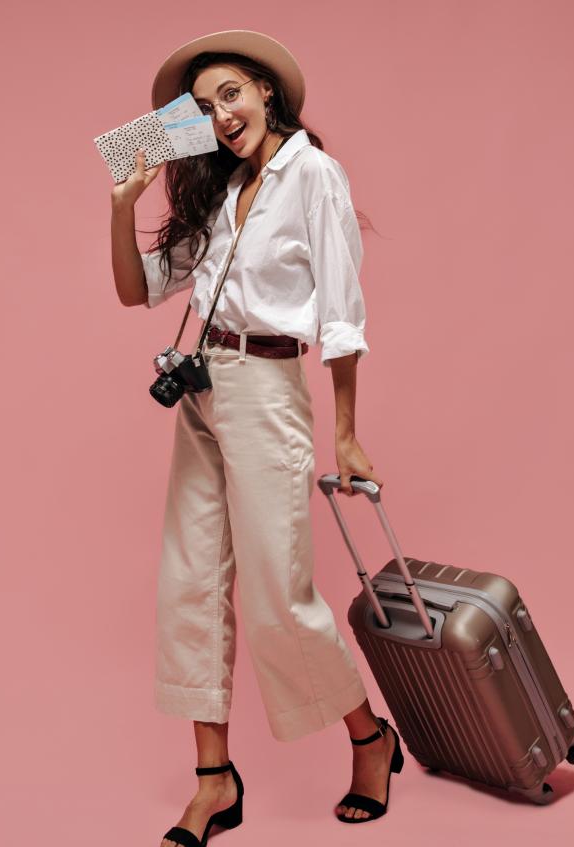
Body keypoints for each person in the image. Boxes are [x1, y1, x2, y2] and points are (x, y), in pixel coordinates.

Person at [109, 30, 404, 847]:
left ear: (269, 91)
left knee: (280, 593)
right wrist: (122, 200)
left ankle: (369, 737)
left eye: (231, 93)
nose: (220, 113)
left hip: (268, 389)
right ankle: (214, 780)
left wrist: (346, 433)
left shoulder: (312, 173)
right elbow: (138, 292)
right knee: (192, 579)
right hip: (204, 384)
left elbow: (341, 314)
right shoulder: (219, 186)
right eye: (204, 107)